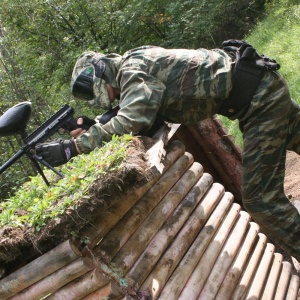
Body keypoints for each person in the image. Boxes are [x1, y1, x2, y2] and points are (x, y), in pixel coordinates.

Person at [36, 42, 300, 261]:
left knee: (260, 200)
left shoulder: (132, 70)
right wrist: (96, 127)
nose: (113, 96)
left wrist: (74, 147)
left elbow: (133, 118)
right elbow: (143, 112)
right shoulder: (134, 65)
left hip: (259, 101)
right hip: (259, 85)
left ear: (99, 75)